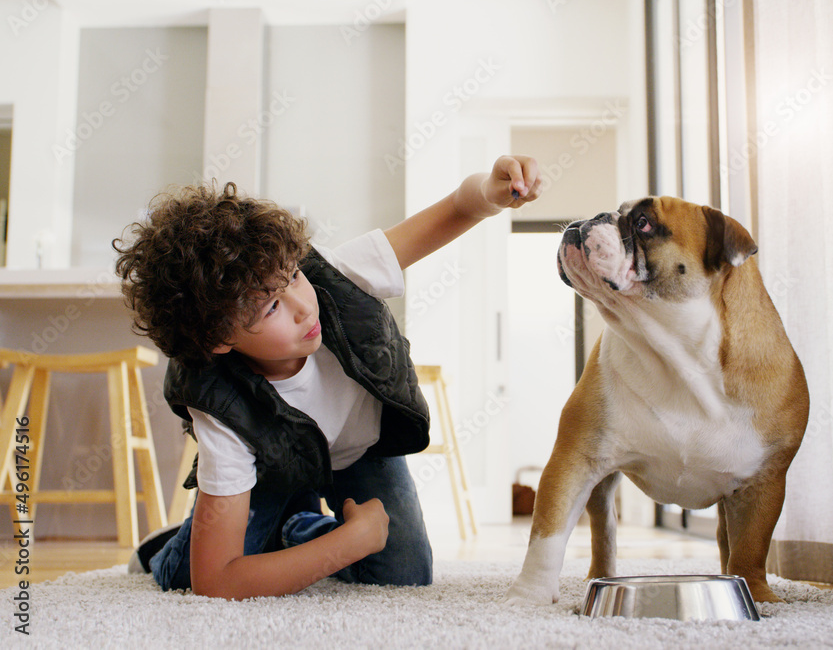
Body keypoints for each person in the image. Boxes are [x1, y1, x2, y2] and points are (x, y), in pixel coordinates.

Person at [113, 155, 540, 599]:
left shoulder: (337, 276)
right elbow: (216, 582)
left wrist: (490, 191)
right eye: (272, 307)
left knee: (404, 571)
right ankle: (167, 550)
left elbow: (455, 209)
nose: (303, 306)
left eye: (293, 276)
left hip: (360, 451)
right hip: (270, 470)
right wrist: (350, 541)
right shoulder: (222, 407)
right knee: (190, 577)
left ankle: (296, 527)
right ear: (219, 338)